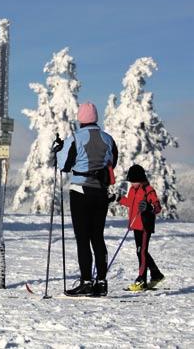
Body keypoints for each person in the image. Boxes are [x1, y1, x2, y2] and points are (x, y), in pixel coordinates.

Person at [56, 102, 118, 297]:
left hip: (80, 191)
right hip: (101, 191)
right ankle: (101, 282)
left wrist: (57, 149)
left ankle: (86, 282)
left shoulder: (75, 138)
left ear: (80, 119)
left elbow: (63, 165)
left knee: (83, 239)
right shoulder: (108, 139)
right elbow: (113, 162)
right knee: (97, 237)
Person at [117, 164, 164, 291]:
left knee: (141, 252)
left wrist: (149, 207)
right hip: (135, 225)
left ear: (141, 179)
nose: (132, 184)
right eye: (131, 181)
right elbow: (130, 203)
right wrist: (118, 198)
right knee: (141, 251)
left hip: (144, 226)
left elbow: (157, 208)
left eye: (134, 181)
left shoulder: (149, 190)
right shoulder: (133, 190)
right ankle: (156, 274)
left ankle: (141, 280)